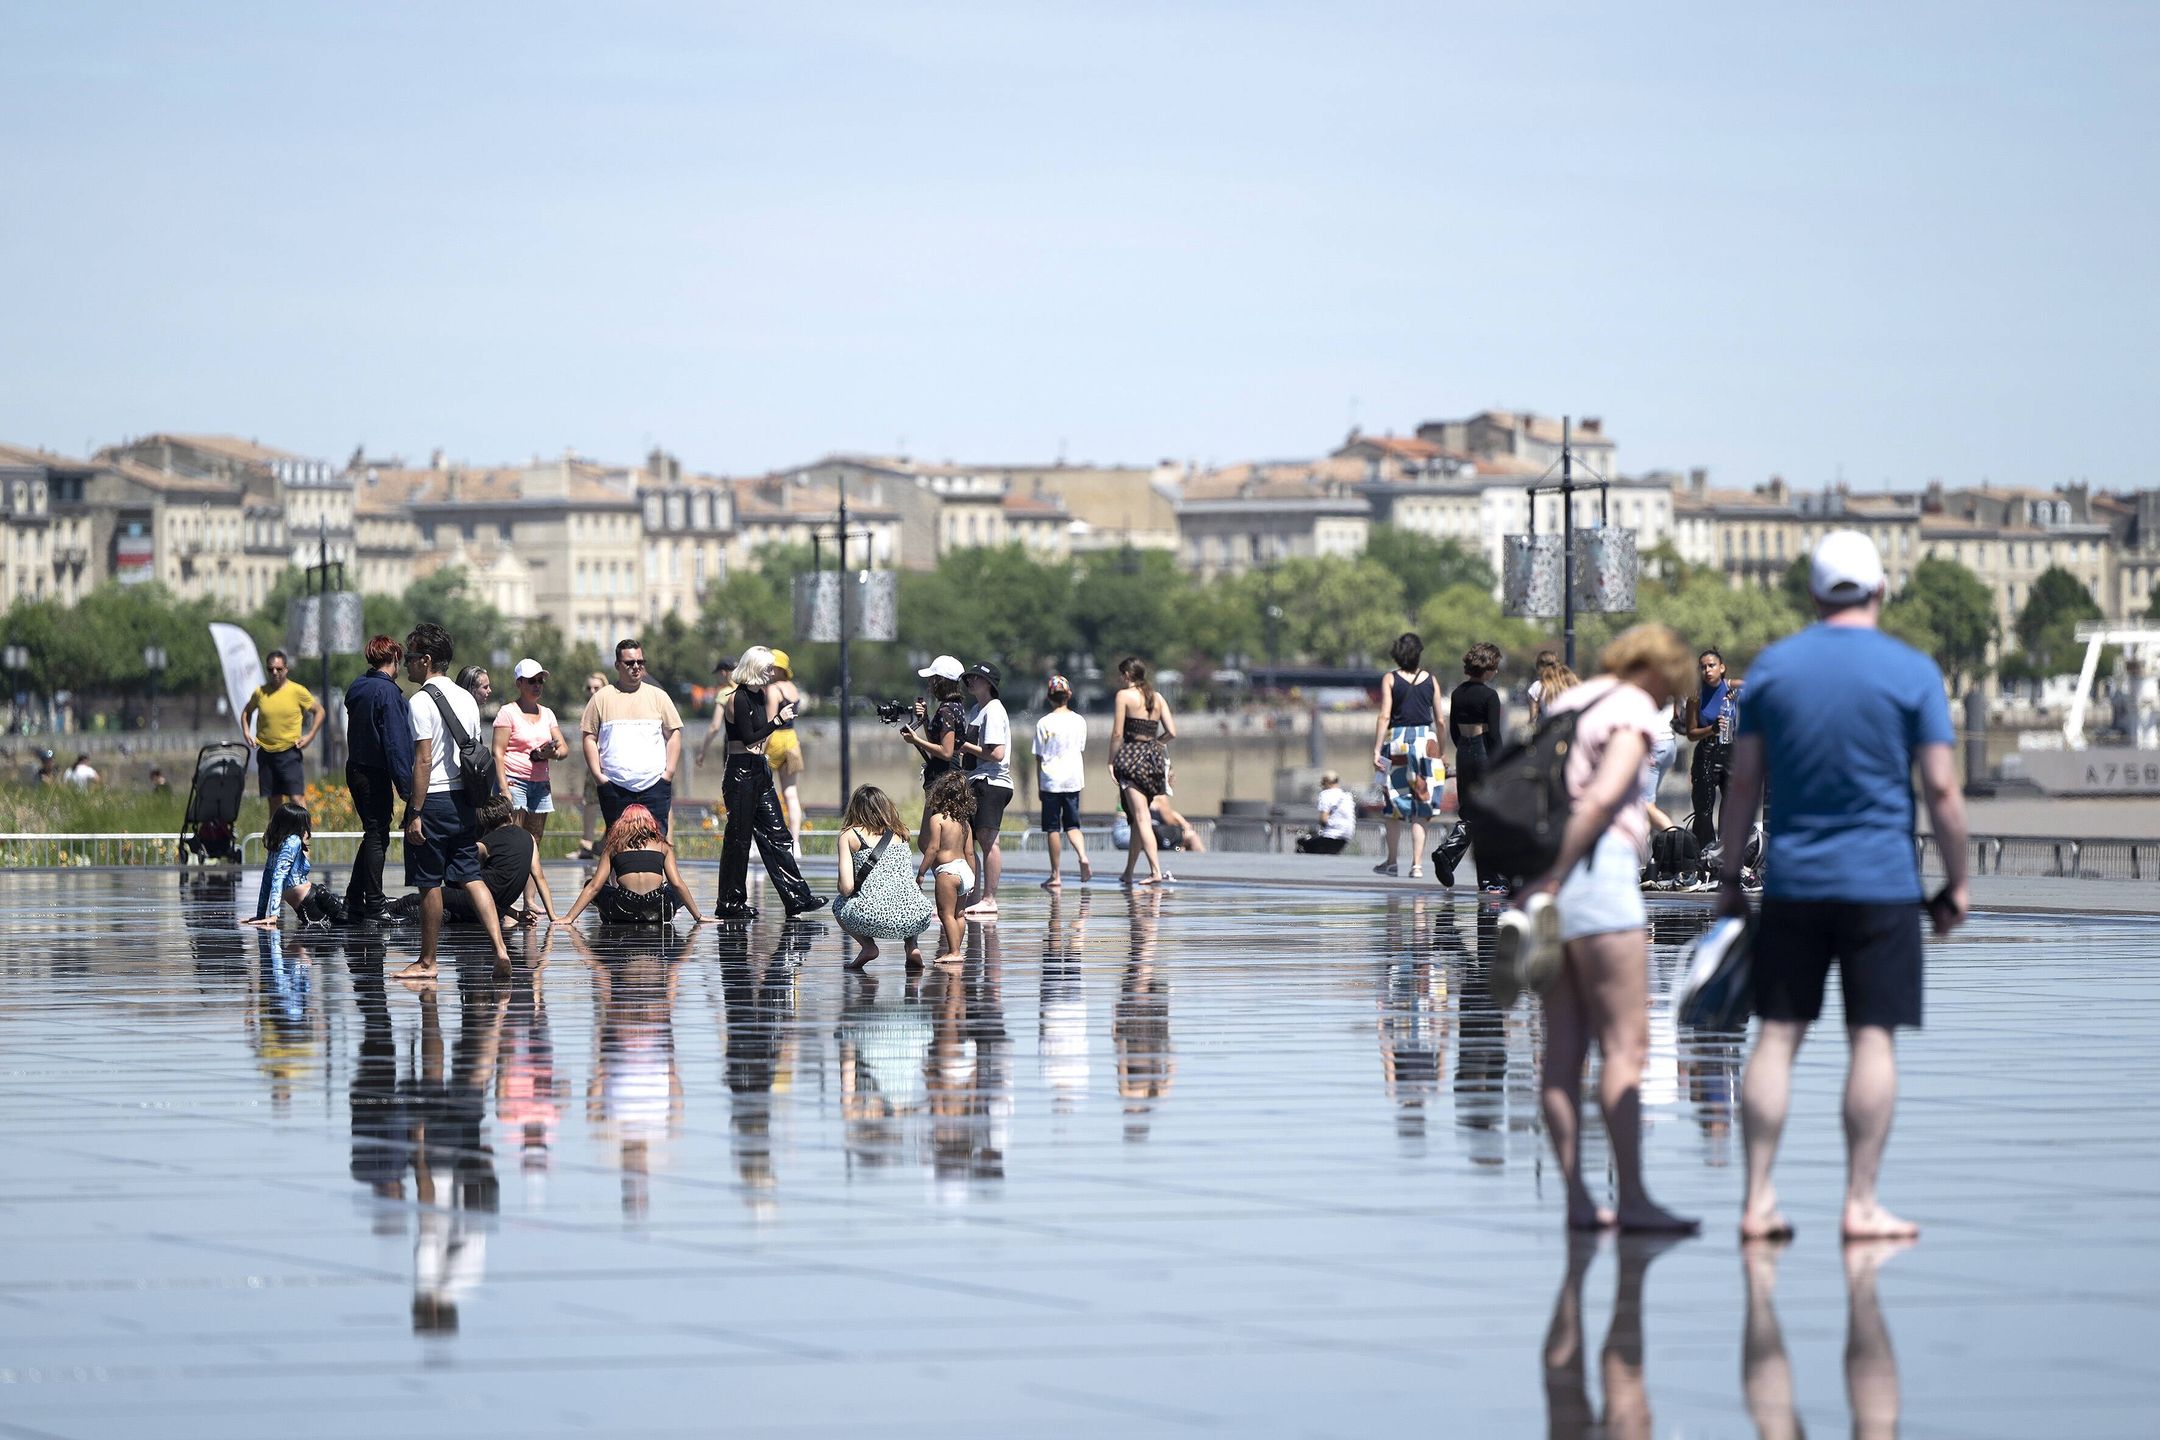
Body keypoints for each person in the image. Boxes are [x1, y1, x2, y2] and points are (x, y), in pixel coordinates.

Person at [1718, 529, 1968, 1243]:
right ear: (1881, 590)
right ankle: (1860, 1204)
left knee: (1776, 1037)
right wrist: (1956, 883)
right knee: (1872, 1041)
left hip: (1794, 881)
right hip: (1882, 885)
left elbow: (1743, 783)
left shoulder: (1772, 670)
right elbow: (1942, 790)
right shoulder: (1912, 671)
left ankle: (1757, 1200)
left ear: (1813, 594)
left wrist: (1730, 876)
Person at [1510, 623, 1699, 1233]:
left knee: (1562, 1051)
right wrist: (1558, 877)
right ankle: (1634, 1198)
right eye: (1671, 683)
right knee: (1623, 1048)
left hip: (1547, 882)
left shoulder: (1569, 703)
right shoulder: (1631, 709)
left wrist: (1539, 884)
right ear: (1657, 670)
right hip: (1598, 882)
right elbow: (1600, 801)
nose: (1669, 695)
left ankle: (1576, 1198)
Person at [395, 622, 513, 983]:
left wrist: (414, 812)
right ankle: (500, 948)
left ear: (427, 660)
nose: (407, 663)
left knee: (429, 882)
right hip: (465, 802)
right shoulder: (466, 699)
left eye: (411, 656)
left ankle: (427, 962)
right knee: (470, 877)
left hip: (433, 801)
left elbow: (423, 761)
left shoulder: (419, 701)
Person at [712, 645, 822, 921]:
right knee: (739, 840)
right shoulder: (737, 698)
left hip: (760, 769)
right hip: (740, 772)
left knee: (778, 834)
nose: (771, 673)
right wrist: (777, 721)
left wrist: (774, 723)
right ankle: (730, 902)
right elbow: (750, 737)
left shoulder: (760, 695)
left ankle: (797, 898)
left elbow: (760, 736)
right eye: (767, 668)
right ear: (754, 668)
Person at [344, 635, 416, 920]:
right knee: (377, 836)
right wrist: (406, 788)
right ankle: (375, 904)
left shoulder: (358, 686)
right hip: (375, 773)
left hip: (355, 768)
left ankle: (354, 900)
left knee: (373, 833)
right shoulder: (388, 693)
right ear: (395, 658)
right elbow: (395, 744)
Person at [580, 638, 684, 833]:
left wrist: (668, 773)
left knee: (656, 843)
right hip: (615, 787)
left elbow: (674, 734)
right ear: (617, 665)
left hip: (654, 786)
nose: (636, 666)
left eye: (640, 662)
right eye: (630, 663)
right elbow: (589, 738)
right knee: (618, 843)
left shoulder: (659, 696)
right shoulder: (601, 698)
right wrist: (599, 777)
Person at [832, 784, 937, 969]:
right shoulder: (900, 833)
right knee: (908, 897)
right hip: (916, 916)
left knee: (839, 904)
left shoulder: (849, 835)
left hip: (872, 917)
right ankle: (911, 945)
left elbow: (846, 888)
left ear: (854, 808)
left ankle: (868, 947)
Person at [492, 658, 568, 914]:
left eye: (540, 681)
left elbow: (564, 749)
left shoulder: (547, 714)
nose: (537, 685)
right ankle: (508, 899)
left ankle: (529, 899)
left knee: (534, 841)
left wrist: (550, 753)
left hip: (540, 784)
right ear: (519, 683)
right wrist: (503, 787)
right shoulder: (508, 712)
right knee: (514, 840)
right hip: (514, 780)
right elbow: (498, 752)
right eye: (532, 681)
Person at [1433, 642, 1505, 891]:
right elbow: (1494, 735)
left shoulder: (1458, 693)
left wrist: (1465, 749)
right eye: (1495, 667)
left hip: (1464, 751)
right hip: (1484, 752)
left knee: (1471, 811)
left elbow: (1453, 730)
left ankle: (1453, 857)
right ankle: (1484, 873)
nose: (1496, 672)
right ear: (1488, 669)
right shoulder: (1490, 696)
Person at [560, 802, 704, 926]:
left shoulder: (613, 847)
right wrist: (698, 917)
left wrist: (570, 917)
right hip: (659, 911)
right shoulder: (663, 846)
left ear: (622, 823)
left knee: (590, 883)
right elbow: (677, 884)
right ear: (650, 822)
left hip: (622, 910)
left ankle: (607, 916)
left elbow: (594, 887)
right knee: (676, 887)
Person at [1371, 631, 1442, 879]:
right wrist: (1442, 751)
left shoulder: (1390, 679)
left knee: (1394, 803)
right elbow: (1440, 720)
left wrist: (1377, 749)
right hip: (1426, 742)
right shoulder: (1431, 680)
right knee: (1422, 804)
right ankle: (1417, 865)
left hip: (1397, 742)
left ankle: (1392, 862)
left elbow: (1384, 716)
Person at [1109, 655, 1175, 887]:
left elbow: (1118, 733)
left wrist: (1111, 761)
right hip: (1152, 760)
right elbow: (1171, 732)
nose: (1120, 679)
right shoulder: (1157, 697)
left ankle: (1155, 870)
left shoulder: (1124, 696)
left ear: (1127, 675)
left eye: (1121, 675)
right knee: (1138, 818)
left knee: (1141, 817)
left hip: (1131, 759)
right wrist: (1155, 744)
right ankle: (1128, 872)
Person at [957, 660, 1013, 915]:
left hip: (991, 782)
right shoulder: (977, 709)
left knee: (989, 841)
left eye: (976, 678)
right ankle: (975, 897)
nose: (970, 681)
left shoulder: (994, 710)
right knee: (971, 842)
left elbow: (997, 753)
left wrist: (963, 746)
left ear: (989, 683)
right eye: (968, 678)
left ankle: (989, 899)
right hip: (977, 780)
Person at [899, 655, 968, 853]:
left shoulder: (946, 710)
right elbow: (938, 742)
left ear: (941, 681)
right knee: (941, 839)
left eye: (932, 679)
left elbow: (946, 751)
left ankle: (943, 870)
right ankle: (948, 870)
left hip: (943, 778)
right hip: (949, 776)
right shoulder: (955, 707)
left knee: (928, 841)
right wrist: (925, 719)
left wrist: (915, 740)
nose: (929, 684)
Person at [242, 649, 325, 809]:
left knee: (296, 798)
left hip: (289, 752)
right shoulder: (260, 692)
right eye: (270, 669)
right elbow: (247, 712)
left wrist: (310, 735)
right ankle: (276, 826)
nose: (275, 673)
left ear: (286, 669)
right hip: (266, 753)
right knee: (274, 801)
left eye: (279, 669)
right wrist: (246, 733)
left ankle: (304, 826)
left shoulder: (297, 691)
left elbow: (319, 711)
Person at [1033, 674, 1092, 889]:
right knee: (1073, 825)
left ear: (1049, 697)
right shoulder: (1079, 721)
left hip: (1050, 779)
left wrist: (1040, 785)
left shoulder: (1043, 723)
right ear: (1069, 695)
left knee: (1052, 828)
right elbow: (1080, 747)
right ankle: (1082, 855)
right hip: (1072, 778)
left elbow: (1039, 756)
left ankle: (1056, 874)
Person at [246, 800, 343, 928]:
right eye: (303, 824)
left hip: (314, 900)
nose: (305, 829)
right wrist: (271, 915)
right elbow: (274, 877)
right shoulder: (292, 841)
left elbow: (269, 878)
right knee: (350, 917)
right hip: (310, 902)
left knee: (350, 913)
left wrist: (262, 914)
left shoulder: (280, 842)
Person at [1682, 648, 1739, 849]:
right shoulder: (1695, 695)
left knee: (1732, 803)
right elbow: (1691, 733)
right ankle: (1704, 851)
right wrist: (1711, 729)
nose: (1707, 670)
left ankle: (1726, 848)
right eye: (1703, 667)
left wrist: (1737, 693)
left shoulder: (1730, 686)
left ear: (1722, 668)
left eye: (1711, 665)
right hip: (1706, 752)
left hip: (1730, 751)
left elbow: (1757, 685)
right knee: (1704, 808)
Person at [916, 772, 976, 961]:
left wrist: (921, 872)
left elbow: (933, 848)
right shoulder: (965, 823)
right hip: (964, 870)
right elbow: (970, 853)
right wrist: (973, 877)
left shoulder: (937, 819)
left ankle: (954, 952)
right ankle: (957, 949)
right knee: (959, 914)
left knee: (945, 914)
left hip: (947, 872)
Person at [762, 649, 807, 855]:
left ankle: (760, 841)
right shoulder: (793, 689)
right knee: (791, 793)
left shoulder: (773, 690)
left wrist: (760, 749)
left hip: (776, 741)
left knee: (761, 791)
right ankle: (795, 843)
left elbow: (771, 723)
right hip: (792, 740)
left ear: (779, 669)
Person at [577, 671, 607, 857]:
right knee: (589, 801)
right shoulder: (588, 709)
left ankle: (605, 844)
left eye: (597, 687)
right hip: (593, 763)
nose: (592, 691)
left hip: (610, 763)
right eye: (589, 688)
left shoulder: (610, 707)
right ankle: (587, 845)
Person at [694, 655, 737, 770]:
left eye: (717, 674)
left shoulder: (725, 693)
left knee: (731, 780)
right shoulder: (749, 689)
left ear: (723, 673)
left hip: (733, 744)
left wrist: (702, 751)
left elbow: (715, 726)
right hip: (752, 743)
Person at [1298, 770, 1357, 854]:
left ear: (1326, 783)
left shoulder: (1326, 794)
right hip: (1346, 835)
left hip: (1332, 834)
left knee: (1303, 843)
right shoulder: (1346, 796)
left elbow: (1324, 819)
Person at [1527, 649, 1560, 724]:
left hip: (1548, 728)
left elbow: (1533, 718)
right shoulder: (1565, 684)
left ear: (1539, 667)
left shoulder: (1537, 686)